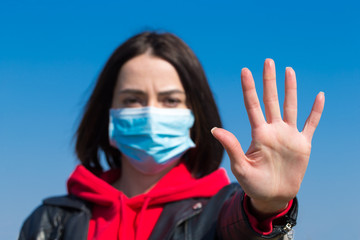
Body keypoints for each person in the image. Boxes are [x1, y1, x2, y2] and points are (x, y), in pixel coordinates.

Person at [18, 32, 325, 240]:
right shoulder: (49, 222)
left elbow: (241, 228)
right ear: (107, 112)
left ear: (195, 115)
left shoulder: (223, 210)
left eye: (170, 100)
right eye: (132, 99)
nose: (151, 112)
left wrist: (268, 207)